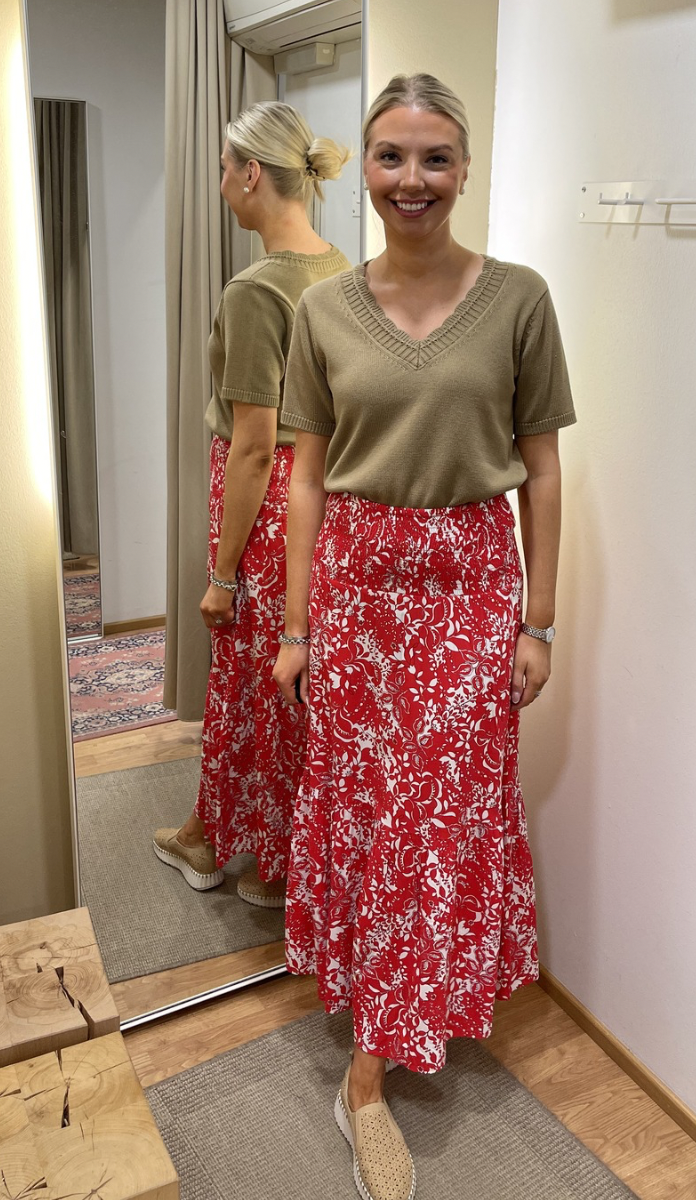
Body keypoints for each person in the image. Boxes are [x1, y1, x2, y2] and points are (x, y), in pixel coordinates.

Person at [274, 74, 576, 1199]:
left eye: (436, 157)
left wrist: (539, 620)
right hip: (356, 588)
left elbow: (543, 470)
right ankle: (379, 1029)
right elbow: (306, 480)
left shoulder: (520, 299)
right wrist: (296, 627)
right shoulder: (320, 314)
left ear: (465, 168)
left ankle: (372, 1064)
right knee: (369, 806)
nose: (413, 179)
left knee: (435, 813)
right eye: (392, 156)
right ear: (363, 167)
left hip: (471, 585)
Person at [153, 102, 351, 908]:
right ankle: (272, 858)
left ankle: (227, 848)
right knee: (291, 686)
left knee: (246, 679)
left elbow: (255, 445)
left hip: (266, 505)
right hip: (324, 499)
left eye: (223, 171)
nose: (220, 186)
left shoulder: (256, 289)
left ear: (251, 174)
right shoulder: (342, 268)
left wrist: (223, 573)